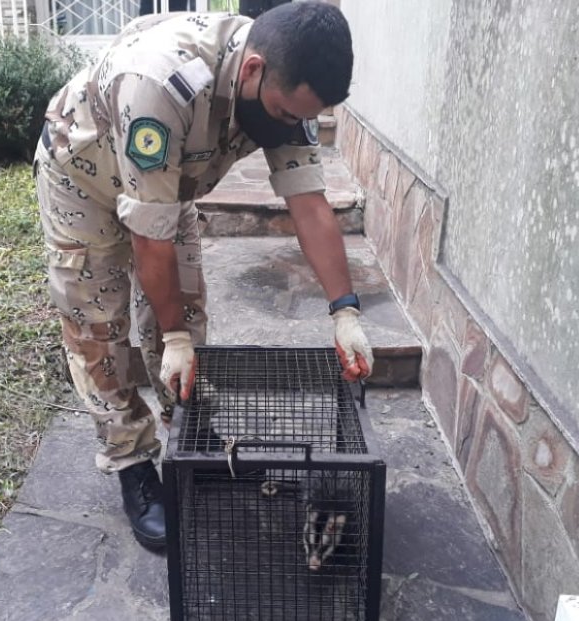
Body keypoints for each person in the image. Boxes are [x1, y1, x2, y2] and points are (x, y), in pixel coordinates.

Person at [34, 3, 372, 550]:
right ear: (256, 69)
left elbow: (310, 204)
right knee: (99, 329)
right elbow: (150, 238)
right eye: (287, 113)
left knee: (187, 318)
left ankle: (190, 434)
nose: (290, 125)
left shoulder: (287, 88)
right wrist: (168, 338)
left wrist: (345, 311)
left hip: (168, 188)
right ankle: (134, 464)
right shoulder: (159, 85)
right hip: (84, 183)